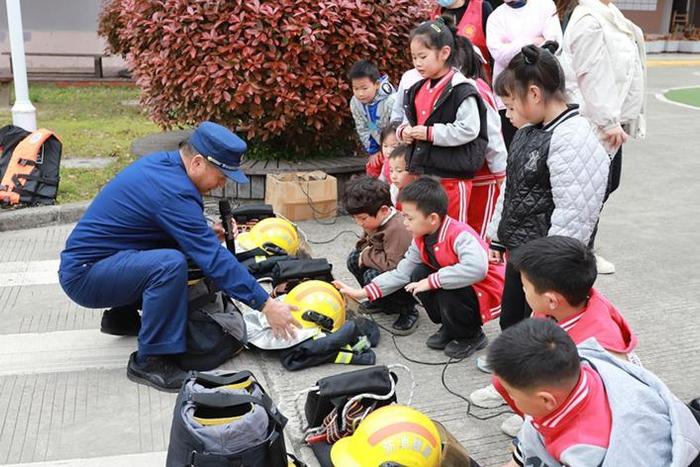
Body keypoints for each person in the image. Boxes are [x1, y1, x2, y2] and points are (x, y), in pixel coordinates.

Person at [58, 122, 299, 392]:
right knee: (170, 266)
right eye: (222, 175)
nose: (223, 183)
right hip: (86, 276)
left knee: (179, 257)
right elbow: (214, 260)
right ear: (197, 162)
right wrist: (266, 305)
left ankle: (122, 318)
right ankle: (150, 360)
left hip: (101, 264)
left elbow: (157, 227)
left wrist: (206, 234)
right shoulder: (173, 189)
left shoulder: (165, 167)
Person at [486, 44, 609, 333]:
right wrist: (498, 237)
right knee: (512, 319)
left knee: (540, 327)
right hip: (522, 252)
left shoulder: (572, 138)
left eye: (512, 105)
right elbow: (511, 188)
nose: (508, 114)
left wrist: (549, 271)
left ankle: (528, 373)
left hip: (544, 262)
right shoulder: (530, 131)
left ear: (534, 94)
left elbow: (573, 214)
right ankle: (513, 367)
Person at [470, 235, 639, 436]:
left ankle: (539, 419)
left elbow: (599, 406)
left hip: (588, 411)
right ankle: (530, 413)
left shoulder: (598, 351)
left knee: (510, 379)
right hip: (557, 377)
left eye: (525, 287)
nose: (523, 290)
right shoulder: (565, 302)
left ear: (551, 300)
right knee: (503, 377)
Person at [489, 319, 700, 467]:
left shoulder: (589, 451)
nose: (510, 398)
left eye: (510, 393)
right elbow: (525, 452)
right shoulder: (582, 368)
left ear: (546, 399)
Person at [335, 177, 504, 359]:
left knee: (442, 287)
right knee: (418, 273)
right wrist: (362, 293)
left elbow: (477, 269)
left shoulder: (459, 235)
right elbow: (402, 272)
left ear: (432, 218)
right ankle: (450, 327)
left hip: (483, 289)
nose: (404, 222)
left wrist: (432, 281)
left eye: (409, 217)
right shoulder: (420, 237)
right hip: (454, 282)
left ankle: (471, 334)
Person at [557, 0, 646, 274]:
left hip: (607, 122)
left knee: (602, 188)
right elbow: (591, 74)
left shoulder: (610, 16)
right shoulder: (589, 19)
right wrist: (608, 121)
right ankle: (573, 257)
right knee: (583, 194)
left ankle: (582, 251)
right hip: (590, 123)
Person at [397, 17, 489, 224]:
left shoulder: (462, 90)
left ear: (445, 53)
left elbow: (469, 129)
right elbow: (406, 121)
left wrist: (430, 133)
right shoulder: (417, 89)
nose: (417, 63)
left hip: (453, 179)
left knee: (453, 230)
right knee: (424, 230)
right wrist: (403, 132)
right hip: (424, 174)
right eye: (414, 57)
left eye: (423, 56)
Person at [343, 176, 418, 334]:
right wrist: (365, 249)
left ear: (383, 210)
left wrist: (366, 256)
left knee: (372, 274)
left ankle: (407, 309)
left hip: (404, 275)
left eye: (362, 218)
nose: (359, 223)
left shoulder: (397, 228)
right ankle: (381, 302)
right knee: (353, 259)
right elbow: (364, 244)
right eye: (355, 218)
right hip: (382, 260)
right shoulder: (374, 221)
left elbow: (395, 265)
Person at [486, 0, 562, 149]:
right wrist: (532, 40)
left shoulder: (545, 6)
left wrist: (513, 45)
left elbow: (553, 45)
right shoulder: (495, 17)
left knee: (544, 151)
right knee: (513, 151)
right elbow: (501, 55)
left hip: (541, 94)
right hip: (510, 99)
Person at [348, 60, 396, 178]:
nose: (360, 93)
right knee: (372, 168)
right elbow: (364, 126)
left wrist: (389, 149)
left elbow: (397, 128)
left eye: (364, 88)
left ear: (377, 84)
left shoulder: (392, 101)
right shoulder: (356, 103)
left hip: (395, 147)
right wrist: (373, 150)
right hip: (378, 144)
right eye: (356, 88)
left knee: (391, 173)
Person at [431, 0, 494, 78]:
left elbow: (494, 50)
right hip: (446, 80)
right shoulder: (434, 13)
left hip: (478, 77)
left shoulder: (481, 8)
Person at [387, 144, 416, 208]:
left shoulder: (420, 194)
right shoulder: (394, 189)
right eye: (391, 171)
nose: (393, 176)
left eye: (399, 171)